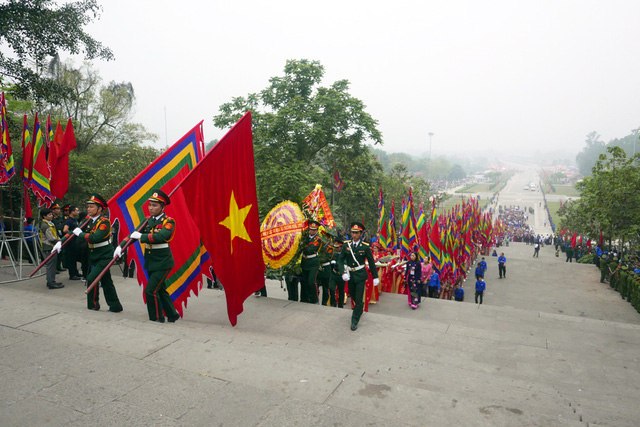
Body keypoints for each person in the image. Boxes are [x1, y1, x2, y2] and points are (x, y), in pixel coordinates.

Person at [114, 189, 178, 323]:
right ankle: (172, 314)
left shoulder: (169, 221)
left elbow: (161, 236)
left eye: (155, 205)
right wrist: (121, 246)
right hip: (150, 260)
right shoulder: (147, 221)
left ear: (162, 207)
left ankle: (156, 318)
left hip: (163, 261)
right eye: (150, 205)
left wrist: (141, 236)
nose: (151, 208)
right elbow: (133, 233)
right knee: (160, 289)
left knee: (150, 291)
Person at [72, 193, 123, 312]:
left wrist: (80, 234)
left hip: (105, 255)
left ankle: (93, 304)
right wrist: (61, 242)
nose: (89, 209)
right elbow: (74, 232)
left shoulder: (104, 222)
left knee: (92, 278)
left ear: (99, 209)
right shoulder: (88, 221)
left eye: (92, 207)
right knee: (106, 281)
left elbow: (95, 238)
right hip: (93, 254)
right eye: (88, 207)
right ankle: (115, 306)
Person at [338, 222, 378, 331]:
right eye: (352, 232)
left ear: (361, 234)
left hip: (360, 275)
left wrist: (375, 277)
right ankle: (360, 307)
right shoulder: (346, 245)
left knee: (359, 298)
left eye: (356, 233)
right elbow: (340, 260)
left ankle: (354, 320)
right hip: (350, 275)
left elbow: (371, 262)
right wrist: (343, 273)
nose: (354, 235)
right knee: (354, 297)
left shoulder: (365, 247)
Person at [39, 209, 63, 289]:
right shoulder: (45, 225)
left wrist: (59, 240)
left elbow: (55, 234)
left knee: (53, 265)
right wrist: (60, 241)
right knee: (50, 265)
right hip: (48, 247)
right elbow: (51, 238)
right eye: (49, 215)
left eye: (51, 214)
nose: (51, 216)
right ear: (44, 216)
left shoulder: (50, 223)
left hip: (53, 246)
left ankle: (52, 281)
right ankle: (50, 282)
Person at [300, 219, 321, 304]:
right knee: (305, 282)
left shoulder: (318, 239)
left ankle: (315, 299)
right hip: (305, 261)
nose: (311, 231)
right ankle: (308, 298)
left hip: (313, 262)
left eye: (314, 230)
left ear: (317, 230)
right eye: (310, 229)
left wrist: (303, 246)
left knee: (311, 282)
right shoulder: (305, 237)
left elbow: (310, 249)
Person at [62, 205, 82, 280]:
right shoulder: (68, 220)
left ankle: (76, 272)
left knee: (75, 258)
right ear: (72, 211)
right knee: (71, 259)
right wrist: (72, 233)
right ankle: (72, 274)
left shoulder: (74, 220)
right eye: (76, 210)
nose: (77, 212)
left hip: (75, 242)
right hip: (70, 242)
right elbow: (65, 230)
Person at [328, 236, 346, 308]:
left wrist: (337, 263)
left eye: (338, 247)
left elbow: (345, 263)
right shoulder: (334, 254)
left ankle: (340, 305)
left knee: (341, 291)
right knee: (332, 288)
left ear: (341, 247)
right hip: (334, 274)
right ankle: (333, 302)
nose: (336, 249)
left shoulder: (345, 254)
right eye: (335, 247)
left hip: (341, 274)